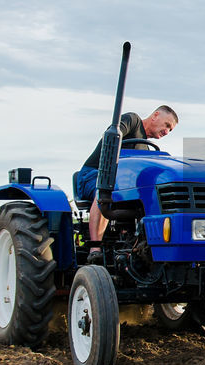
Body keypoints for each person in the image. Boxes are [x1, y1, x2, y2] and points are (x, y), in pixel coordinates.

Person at [74, 105, 178, 255]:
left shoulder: (148, 151)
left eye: (171, 130)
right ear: (155, 115)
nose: (167, 131)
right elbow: (113, 135)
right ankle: (95, 247)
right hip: (94, 174)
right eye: (167, 125)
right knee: (109, 190)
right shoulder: (133, 121)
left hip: (121, 184)